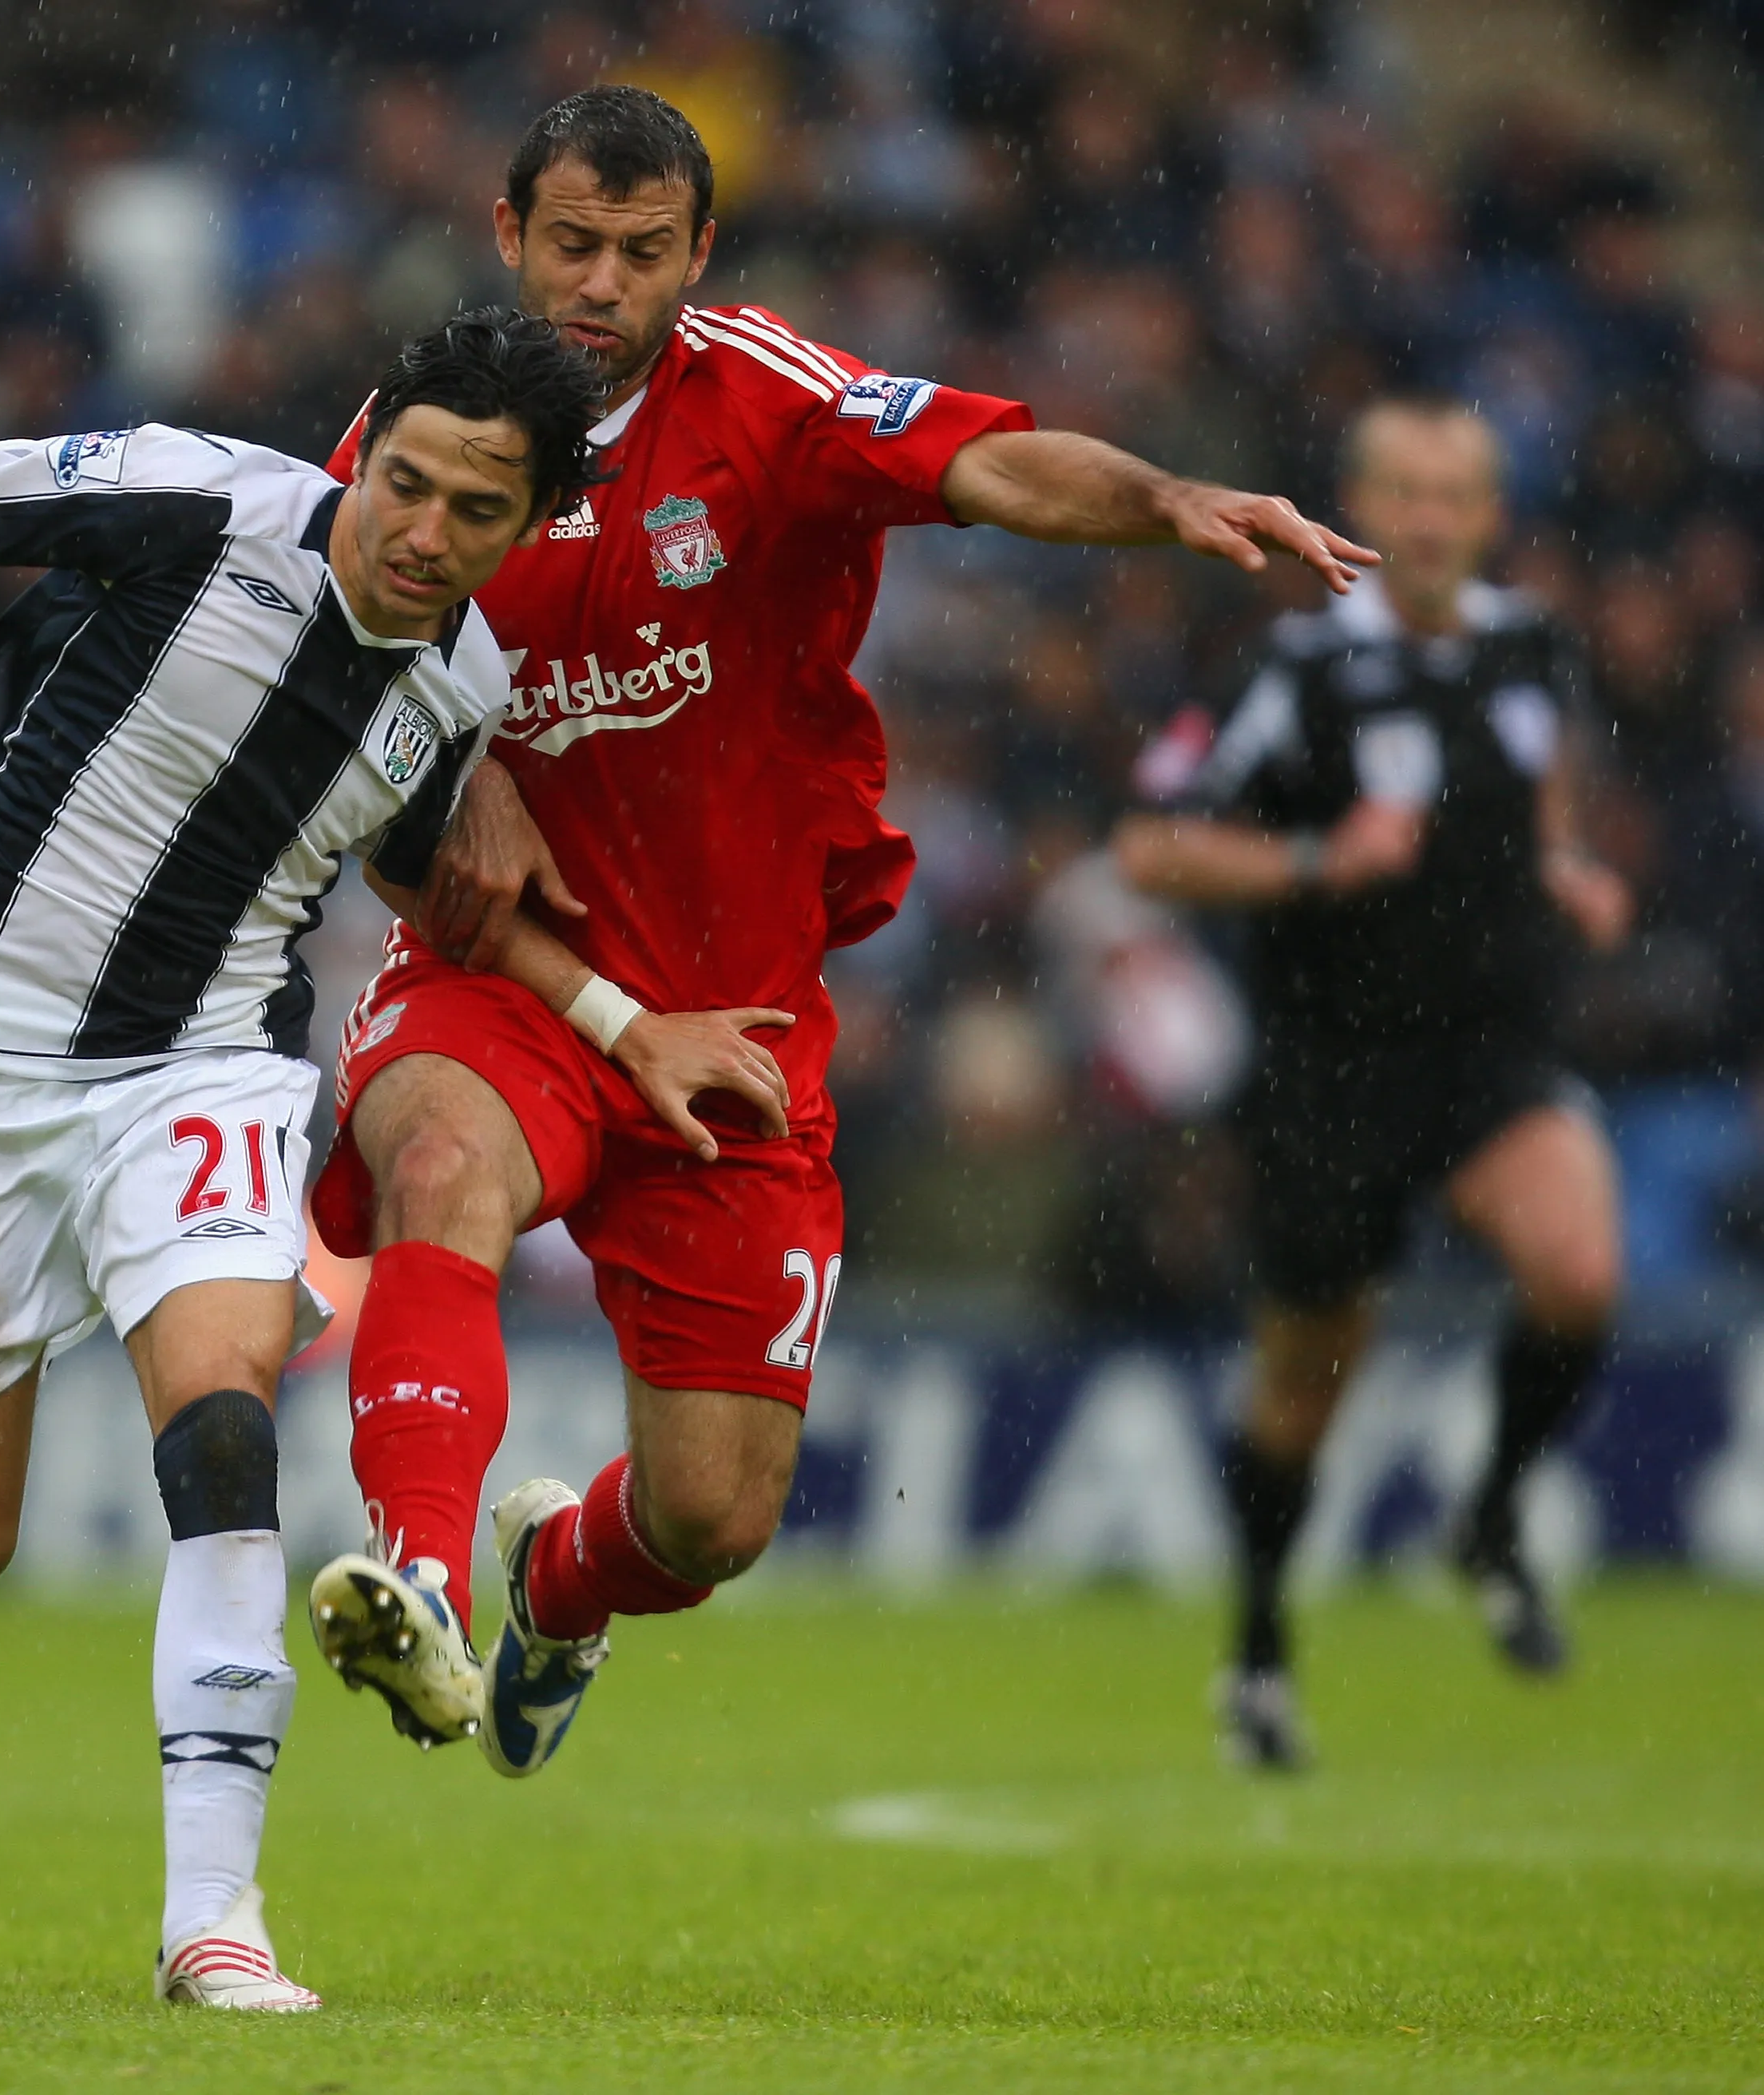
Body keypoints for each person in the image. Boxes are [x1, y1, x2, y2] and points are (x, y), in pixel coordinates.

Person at [0, 310, 783, 2006]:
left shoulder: (458, 688)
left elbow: (430, 889)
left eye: (477, 513)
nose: (424, 535)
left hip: (201, 1072)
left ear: (529, 520)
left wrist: (627, 1026)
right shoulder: (189, 501)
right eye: (405, 484)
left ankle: (214, 1924)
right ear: (369, 442)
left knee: (224, 1419)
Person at [300, 86, 1376, 1779]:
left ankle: (554, 1579)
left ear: (697, 255)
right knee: (443, 1170)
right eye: (569, 244)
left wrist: (1160, 498)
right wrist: (451, 775)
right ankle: (419, 1581)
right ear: (506, 234)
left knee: (712, 1519)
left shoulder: (763, 397)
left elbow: (987, 457)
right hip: (502, 980)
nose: (601, 284)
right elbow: (311, 708)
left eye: (641, 253)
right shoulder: (416, 437)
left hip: (731, 1020)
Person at [1115, 398, 1630, 1769]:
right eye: (1402, 492)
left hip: (1490, 1058)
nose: (1427, 519)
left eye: (1453, 494)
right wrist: (1309, 864)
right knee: (1302, 1387)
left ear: (1491, 514)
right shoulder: (1288, 671)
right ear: (1357, 504)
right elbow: (1150, 846)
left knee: (1578, 1272)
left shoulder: (1533, 648)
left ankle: (1493, 1516)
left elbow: (1549, 794)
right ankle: (1263, 1643)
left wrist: (1566, 867)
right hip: (1330, 1071)